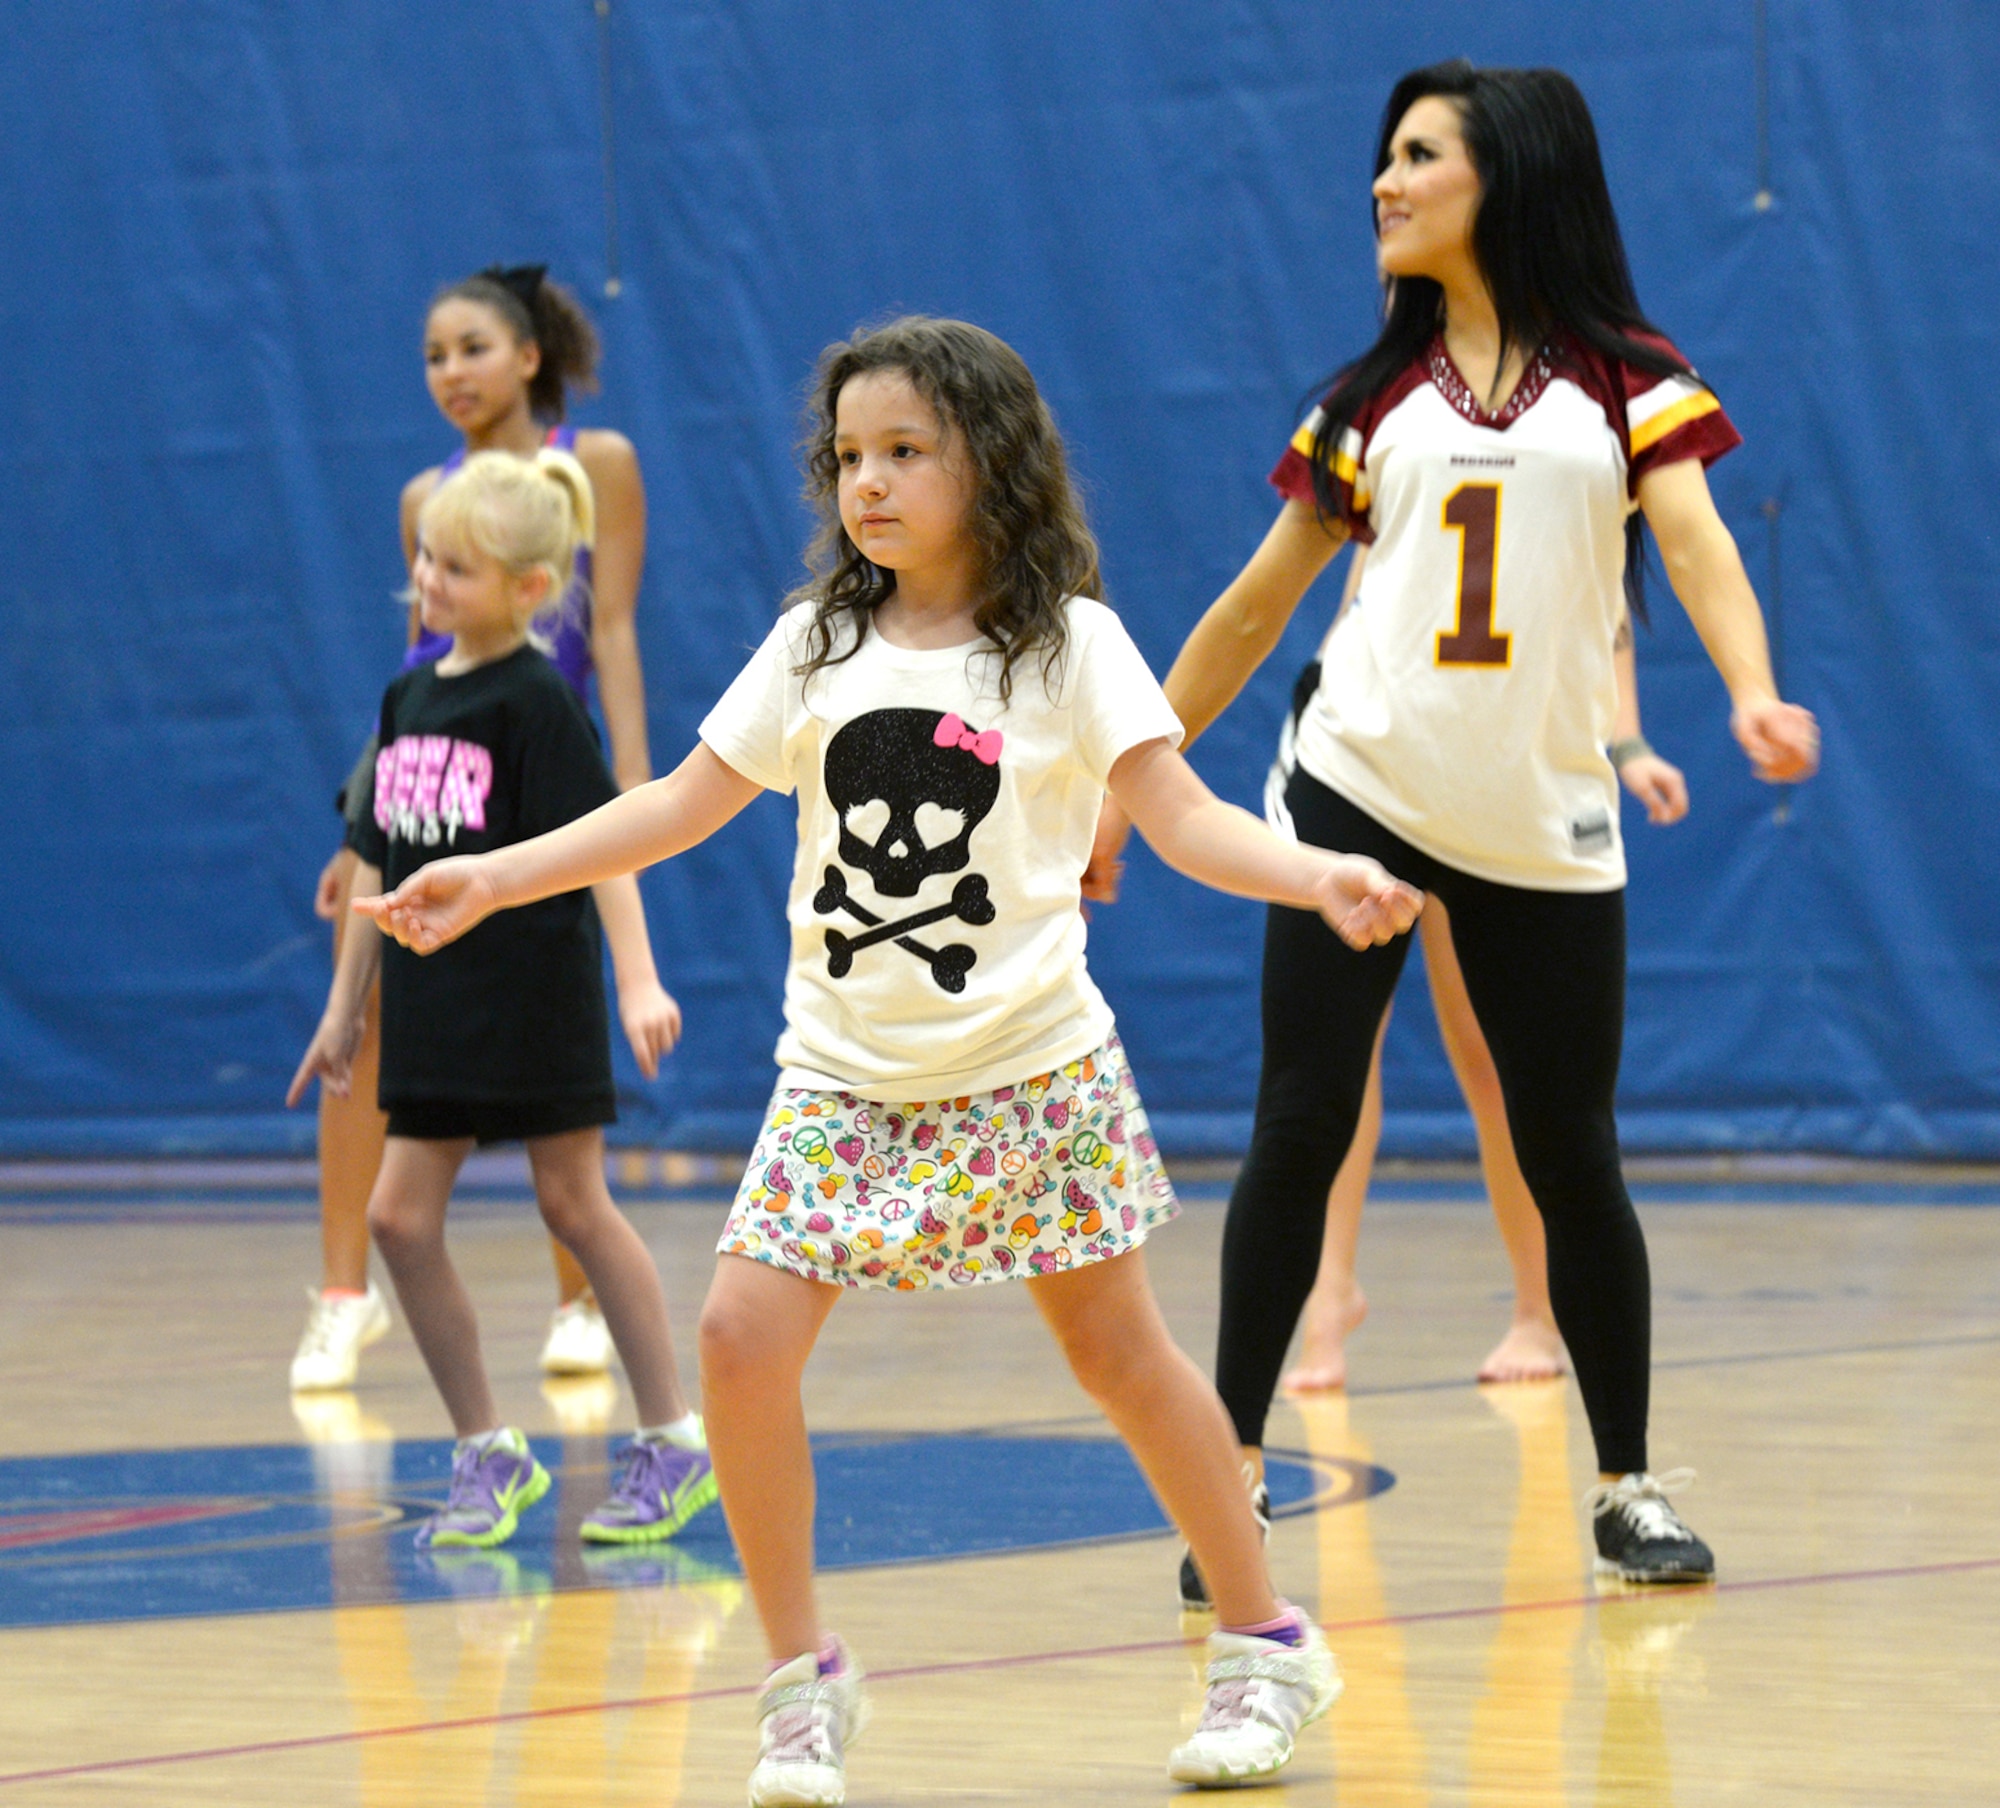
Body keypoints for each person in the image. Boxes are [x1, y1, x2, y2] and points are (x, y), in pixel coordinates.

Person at [355, 317, 1425, 1802]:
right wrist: (495, 875)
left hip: (1031, 1072)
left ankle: (1264, 1640)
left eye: (905, 451)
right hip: (843, 1080)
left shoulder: (1070, 647)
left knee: (1120, 1356)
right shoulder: (817, 645)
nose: (869, 481)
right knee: (736, 1340)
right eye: (849, 456)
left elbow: (1181, 821)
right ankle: (802, 1684)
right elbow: (672, 804)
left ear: (991, 460)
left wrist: (1317, 874)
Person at [1088, 62, 1818, 1597]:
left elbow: (1693, 545)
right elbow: (1252, 604)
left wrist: (1752, 689)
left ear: (1509, 177)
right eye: (1385, 157)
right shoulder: (1367, 406)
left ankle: (1624, 1489)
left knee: (1572, 1152)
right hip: (1356, 792)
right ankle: (1230, 1480)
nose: (1385, 183)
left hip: (1546, 819)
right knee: (1299, 1124)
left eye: (1420, 157)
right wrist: (1125, 770)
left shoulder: (1627, 377)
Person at [289, 448, 715, 1553]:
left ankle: (672, 1435)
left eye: (457, 569)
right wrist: (346, 1007)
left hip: (533, 993)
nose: (428, 582)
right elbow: (376, 860)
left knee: (574, 1204)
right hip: (433, 1003)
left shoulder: (534, 699)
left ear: (530, 587)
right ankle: (487, 1446)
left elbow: (604, 845)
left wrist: (638, 975)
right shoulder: (407, 695)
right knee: (395, 1217)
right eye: (425, 560)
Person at [294, 264, 662, 1391]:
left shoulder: (594, 467)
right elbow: (417, 661)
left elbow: (608, 631)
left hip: (539, 790)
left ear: (528, 357)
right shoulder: (425, 496)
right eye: (432, 355)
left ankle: (579, 1305)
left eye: (471, 349)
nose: (450, 372)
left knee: (551, 1073)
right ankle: (343, 1290)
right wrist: (367, 817)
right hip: (426, 780)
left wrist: (642, 799)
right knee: (367, 1013)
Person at [1274, 558, 1690, 1394]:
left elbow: (1602, 600)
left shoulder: (1580, 441)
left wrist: (1629, 738)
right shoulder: (1395, 428)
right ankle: (1330, 1294)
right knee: (1334, 1056)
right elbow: (1363, 586)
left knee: (1490, 1054)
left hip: (1497, 772)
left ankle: (1536, 1307)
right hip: (1366, 756)